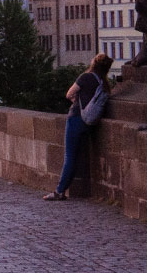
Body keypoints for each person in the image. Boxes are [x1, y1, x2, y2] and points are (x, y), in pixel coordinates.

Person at [44, 53, 114, 201]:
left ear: (94, 63)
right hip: (90, 123)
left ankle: (60, 191)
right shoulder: (104, 83)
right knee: (78, 156)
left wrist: (76, 100)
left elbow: (69, 93)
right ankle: (65, 190)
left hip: (76, 118)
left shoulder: (85, 77)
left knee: (70, 156)